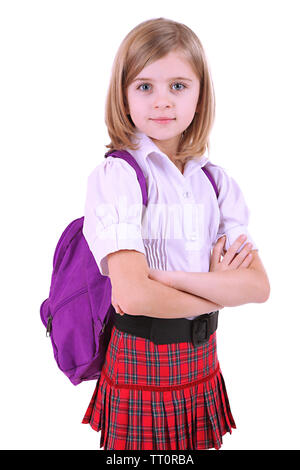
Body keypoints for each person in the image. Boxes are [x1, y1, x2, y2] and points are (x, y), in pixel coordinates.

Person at [81, 17, 270, 450]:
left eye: (179, 86)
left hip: (202, 362)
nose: (162, 102)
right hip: (140, 361)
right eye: (145, 86)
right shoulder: (118, 176)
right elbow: (135, 296)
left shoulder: (216, 183)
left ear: (200, 96)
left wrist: (171, 279)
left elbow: (258, 287)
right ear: (123, 96)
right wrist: (221, 289)